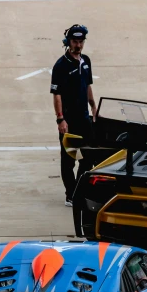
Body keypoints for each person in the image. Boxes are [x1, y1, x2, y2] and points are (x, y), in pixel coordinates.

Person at [50, 24, 97, 207]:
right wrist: (60, 119)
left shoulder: (86, 61)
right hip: (69, 122)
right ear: (68, 42)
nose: (78, 45)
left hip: (85, 119)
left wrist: (93, 106)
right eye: (75, 42)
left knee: (89, 157)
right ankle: (70, 194)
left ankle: (79, 188)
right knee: (68, 161)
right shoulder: (60, 66)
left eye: (80, 42)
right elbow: (57, 95)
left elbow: (87, 86)